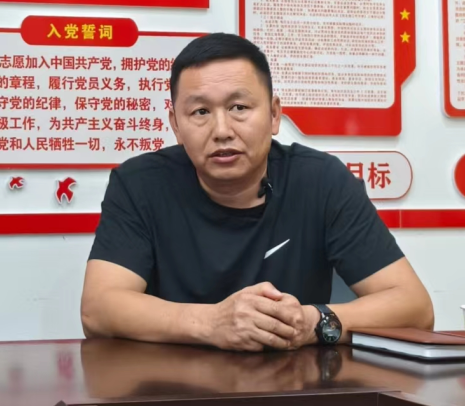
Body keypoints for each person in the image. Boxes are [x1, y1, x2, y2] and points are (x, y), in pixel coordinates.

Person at [81, 33, 433, 351]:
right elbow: (98, 309)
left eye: (239, 108)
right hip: (172, 389)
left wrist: (311, 322)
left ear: (274, 115)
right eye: (200, 111)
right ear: (176, 125)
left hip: (295, 388)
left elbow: (415, 308)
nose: (222, 130)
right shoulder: (140, 184)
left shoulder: (321, 181)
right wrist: (212, 323)